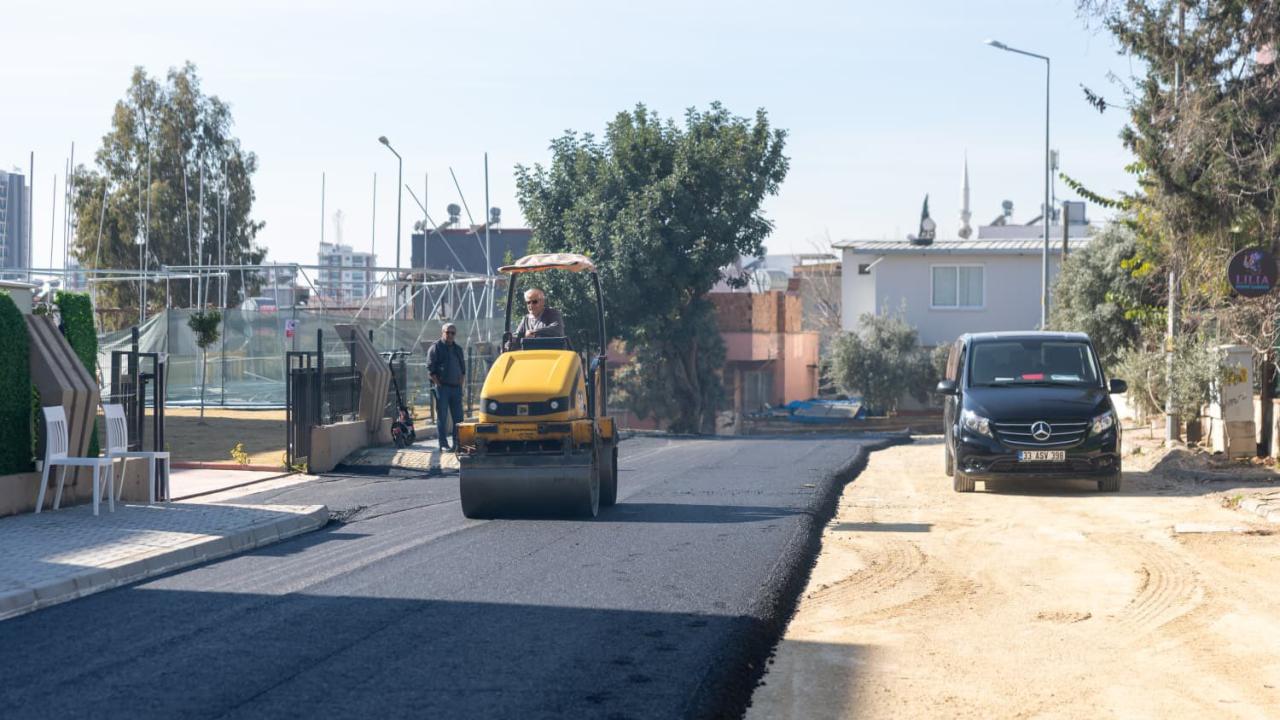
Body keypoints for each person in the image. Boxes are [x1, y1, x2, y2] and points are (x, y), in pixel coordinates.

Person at [426, 323, 466, 452]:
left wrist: (461, 385)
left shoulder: (458, 349)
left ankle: (457, 443)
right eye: (447, 332)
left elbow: (463, 370)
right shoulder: (435, 347)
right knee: (442, 417)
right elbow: (430, 369)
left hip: (456, 388)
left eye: (452, 333)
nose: (450, 335)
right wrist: (438, 384)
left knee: (459, 418)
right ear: (442, 332)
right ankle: (443, 444)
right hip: (442, 388)